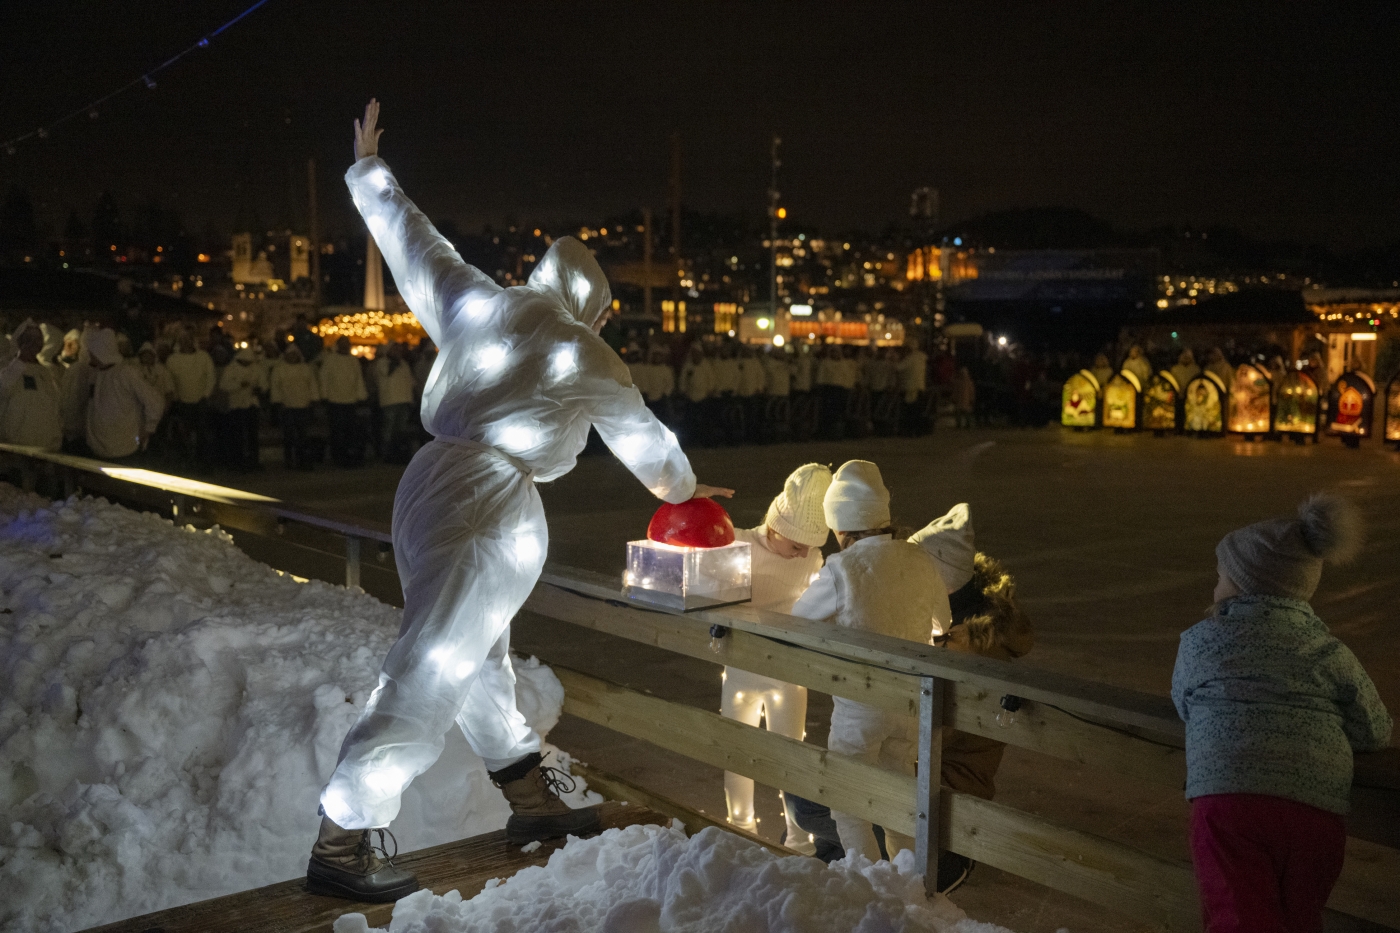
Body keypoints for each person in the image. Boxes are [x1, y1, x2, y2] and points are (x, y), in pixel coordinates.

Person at [309, 100, 733, 902]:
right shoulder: (579, 345)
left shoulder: (477, 303)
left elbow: (411, 242)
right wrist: (682, 488)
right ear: (592, 303)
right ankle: (343, 833)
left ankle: (530, 802)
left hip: (428, 481)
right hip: (488, 501)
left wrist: (370, 171)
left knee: (473, 660)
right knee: (433, 661)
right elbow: (637, 429)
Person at [1173, 494, 1391, 933]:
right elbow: (1375, 728)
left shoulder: (1201, 640)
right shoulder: (1328, 650)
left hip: (1228, 799)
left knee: (1239, 917)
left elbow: (1184, 702)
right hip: (1315, 809)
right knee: (1298, 919)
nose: (1215, 587)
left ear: (1242, 583)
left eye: (1220, 577)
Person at [790, 460, 950, 862]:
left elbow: (798, 618)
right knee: (899, 803)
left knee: (847, 800)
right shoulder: (920, 559)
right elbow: (941, 623)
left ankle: (868, 883)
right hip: (911, 705)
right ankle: (910, 883)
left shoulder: (843, 569)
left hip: (860, 709)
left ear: (841, 526)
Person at [909, 503, 1033, 892]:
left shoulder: (964, 649)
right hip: (928, 779)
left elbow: (925, 731)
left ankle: (948, 861)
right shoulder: (952, 628)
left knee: (818, 804)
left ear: (939, 581)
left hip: (944, 791)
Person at [721, 464, 831, 850]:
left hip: (788, 673)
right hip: (741, 667)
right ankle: (741, 829)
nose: (803, 552)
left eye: (809, 546)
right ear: (775, 525)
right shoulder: (738, 544)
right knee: (738, 754)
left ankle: (799, 837)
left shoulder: (812, 558)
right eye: (796, 544)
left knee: (791, 758)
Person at [80, 328, 165, 460]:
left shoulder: (126, 372)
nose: (89, 354)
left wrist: (148, 428)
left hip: (124, 449)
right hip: (97, 448)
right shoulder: (95, 374)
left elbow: (154, 401)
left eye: (91, 351)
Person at [0, 320, 62, 451]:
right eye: (29, 339)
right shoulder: (6, 367)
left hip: (44, 445)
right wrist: (21, 359)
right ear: (19, 340)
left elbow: (54, 405)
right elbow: (3, 390)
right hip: (14, 444)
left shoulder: (44, 372)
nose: (34, 343)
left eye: (38, 339)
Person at [320, 335, 368, 466]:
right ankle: (337, 456)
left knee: (349, 431)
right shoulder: (330, 360)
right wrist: (324, 396)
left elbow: (358, 379)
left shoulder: (353, 361)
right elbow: (324, 378)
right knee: (337, 430)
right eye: (342, 343)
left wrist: (361, 396)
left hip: (350, 400)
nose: (345, 346)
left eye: (346, 343)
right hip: (335, 400)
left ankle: (348, 455)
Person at [270, 345, 320, 470]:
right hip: (287, 405)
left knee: (303, 435)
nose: (292, 357)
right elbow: (275, 387)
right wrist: (278, 401)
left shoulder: (305, 368)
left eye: (294, 355)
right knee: (289, 435)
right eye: (290, 355)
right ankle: (289, 460)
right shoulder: (279, 369)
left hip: (303, 404)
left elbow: (312, 384)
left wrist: (314, 399)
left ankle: (302, 460)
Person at [219, 347, 266, 471]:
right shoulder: (231, 368)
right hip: (236, 405)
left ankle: (253, 461)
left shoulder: (257, 368)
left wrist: (259, 389)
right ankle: (237, 461)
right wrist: (239, 385)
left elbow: (264, 384)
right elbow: (224, 385)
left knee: (252, 435)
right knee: (237, 435)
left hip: (252, 404)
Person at [375, 342, 418, 462]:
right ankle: (386, 453)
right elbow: (386, 373)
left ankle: (399, 452)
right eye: (394, 350)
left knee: (401, 429)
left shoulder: (403, 363)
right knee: (389, 428)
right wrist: (394, 362)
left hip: (404, 400)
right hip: (390, 401)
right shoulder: (382, 363)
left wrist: (412, 397)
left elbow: (410, 381)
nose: (397, 352)